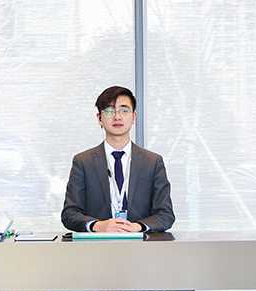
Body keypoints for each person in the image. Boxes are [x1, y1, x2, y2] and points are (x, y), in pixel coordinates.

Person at [61, 85, 175, 234]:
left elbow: (165, 215)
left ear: (134, 117)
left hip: (141, 244)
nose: (117, 116)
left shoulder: (152, 162)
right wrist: (98, 225)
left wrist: (138, 227)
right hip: (97, 245)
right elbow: (69, 214)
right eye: (109, 111)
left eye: (124, 110)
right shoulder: (83, 162)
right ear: (99, 118)